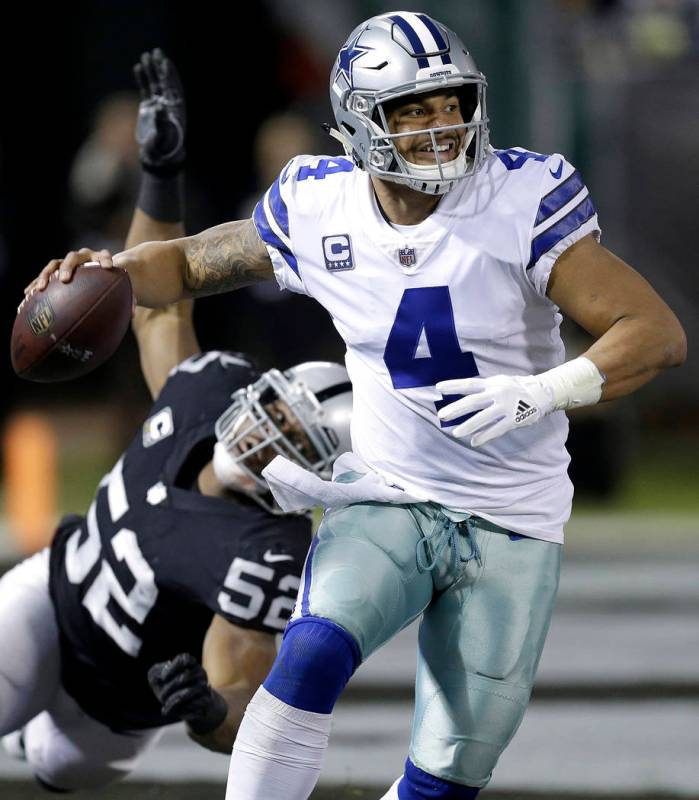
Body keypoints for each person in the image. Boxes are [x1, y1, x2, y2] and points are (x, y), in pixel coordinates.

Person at [28, 12, 687, 799]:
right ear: (360, 121)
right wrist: (107, 272)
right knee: (309, 655)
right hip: (388, 494)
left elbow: (654, 334)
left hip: (513, 515)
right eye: (412, 110)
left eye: (449, 103)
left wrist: (540, 391)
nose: (440, 125)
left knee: (450, 770)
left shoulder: (517, 198)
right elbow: (191, 265)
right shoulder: (321, 206)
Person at [3, 49, 351, 793]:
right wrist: (161, 174)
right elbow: (158, 308)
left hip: (116, 710)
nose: (269, 438)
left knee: (57, 768)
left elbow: (243, 692)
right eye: (279, 414)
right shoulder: (206, 389)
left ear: (310, 482)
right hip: (48, 606)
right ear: (264, 392)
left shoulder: (268, 553)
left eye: (296, 445)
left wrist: (208, 712)